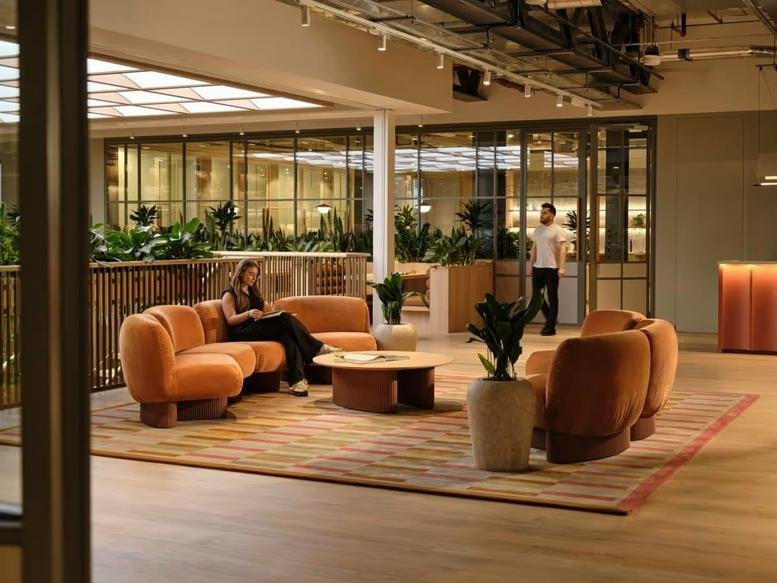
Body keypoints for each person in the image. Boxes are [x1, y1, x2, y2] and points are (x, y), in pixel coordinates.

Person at [221, 258, 340, 397]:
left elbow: (266, 312)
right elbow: (230, 320)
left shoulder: (253, 292)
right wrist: (248, 314)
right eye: (251, 274)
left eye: (256, 275)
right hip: (242, 332)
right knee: (285, 318)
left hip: (256, 329)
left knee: (288, 336)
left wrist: (279, 317)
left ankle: (297, 382)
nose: (254, 278)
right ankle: (317, 348)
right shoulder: (230, 294)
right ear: (241, 273)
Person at [528, 202, 568, 336]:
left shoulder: (558, 230)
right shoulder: (537, 230)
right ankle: (551, 318)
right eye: (541, 213)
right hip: (538, 267)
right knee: (536, 297)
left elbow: (563, 249)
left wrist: (562, 267)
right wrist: (531, 265)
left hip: (552, 268)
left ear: (552, 215)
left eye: (544, 213)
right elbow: (534, 248)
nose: (542, 215)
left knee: (552, 297)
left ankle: (550, 328)